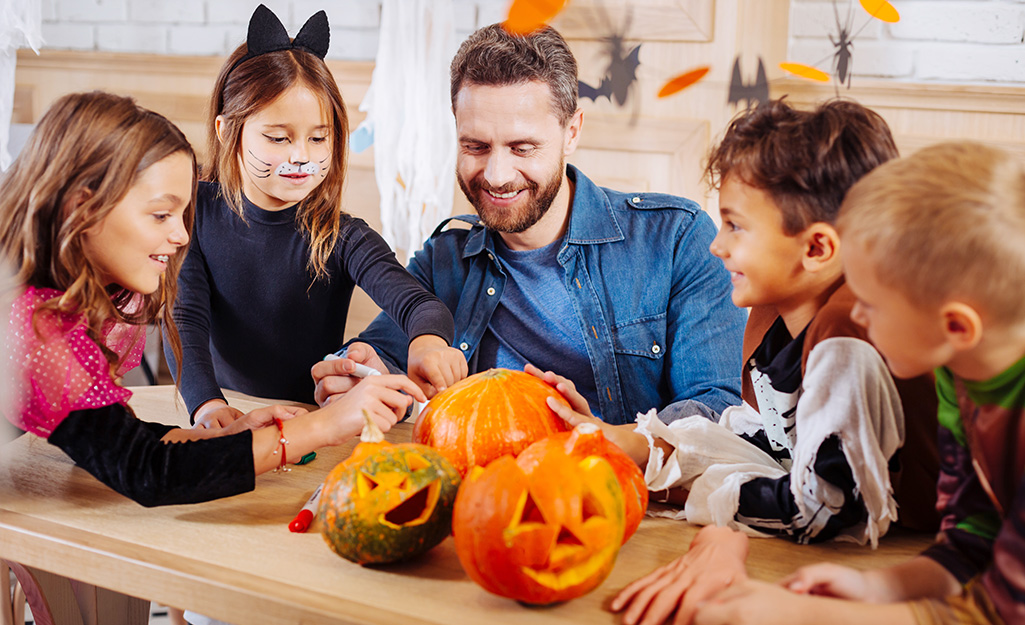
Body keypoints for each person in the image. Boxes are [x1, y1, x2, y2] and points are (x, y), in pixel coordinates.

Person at [534, 99, 944, 624]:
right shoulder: (777, 312)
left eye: (734, 226)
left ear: (816, 249)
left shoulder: (847, 336)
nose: (716, 246)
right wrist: (644, 446)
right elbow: (775, 443)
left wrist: (703, 500)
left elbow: (821, 507)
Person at [0, 91, 426, 507]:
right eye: (161, 214)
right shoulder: (33, 329)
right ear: (83, 208)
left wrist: (225, 439)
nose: (182, 235)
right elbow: (148, 471)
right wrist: (326, 426)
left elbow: (112, 439)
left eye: (183, 215)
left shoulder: (37, 309)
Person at [311, 23, 745, 426]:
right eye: (476, 146)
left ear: (571, 131)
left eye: (522, 148)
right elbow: (379, 360)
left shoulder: (676, 238)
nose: (497, 174)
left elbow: (717, 412)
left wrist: (609, 439)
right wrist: (354, 372)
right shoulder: (446, 256)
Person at [678, 142, 1025, 625]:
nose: (856, 314)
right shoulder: (961, 376)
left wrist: (805, 615)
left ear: (957, 326)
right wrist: (874, 586)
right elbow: (970, 543)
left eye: (873, 303)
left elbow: (998, 613)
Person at [168, 4, 465, 427]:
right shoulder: (194, 212)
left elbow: (418, 304)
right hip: (227, 410)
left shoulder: (345, 237)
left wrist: (428, 341)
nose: (301, 156)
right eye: (277, 137)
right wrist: (208, 406)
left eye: (318, 137)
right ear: (226, 131)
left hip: (311, 419)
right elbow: (184, 319)